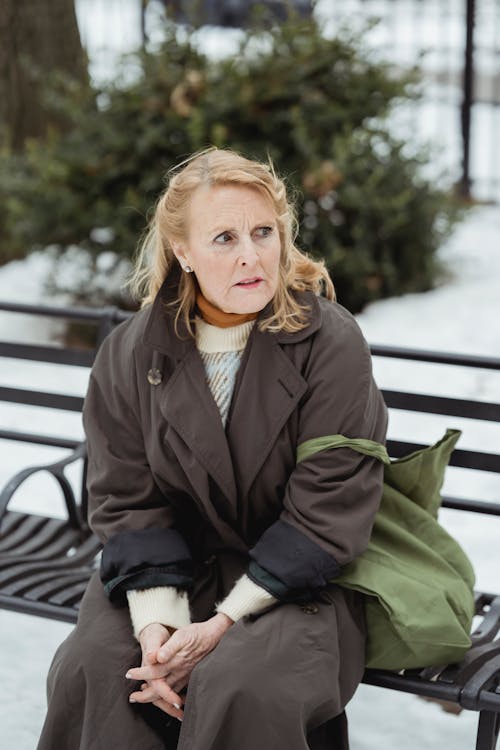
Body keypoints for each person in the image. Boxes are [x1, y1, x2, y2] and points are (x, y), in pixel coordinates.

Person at [38, 147, 387, 750]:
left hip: (297, 579)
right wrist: (157, 628)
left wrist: (220, 624)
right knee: (98, 669)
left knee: (241, 685)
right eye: (224, 238)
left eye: (262, 232)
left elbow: (328, 509)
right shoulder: (131, 354)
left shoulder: (331, 343)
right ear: (183, 252)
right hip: (170, 564)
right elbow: (126, 499)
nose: (251, 255)